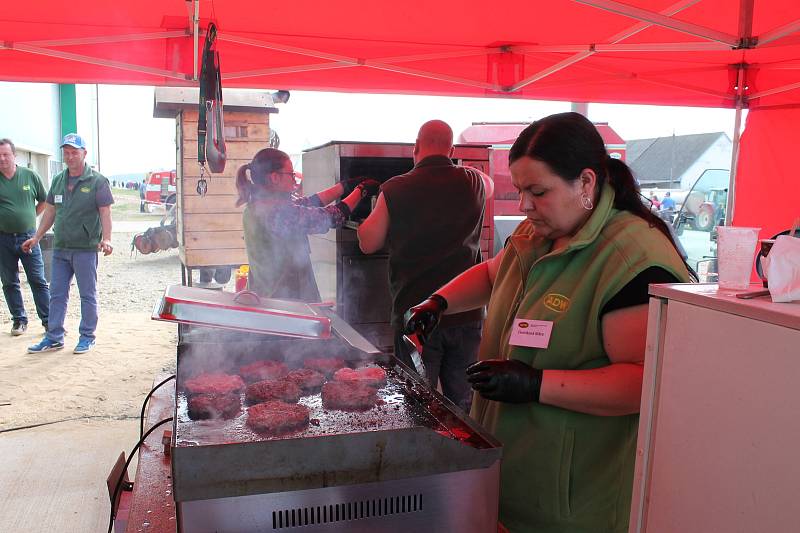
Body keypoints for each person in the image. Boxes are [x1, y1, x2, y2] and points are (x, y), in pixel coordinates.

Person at [404, 112, 692, 532]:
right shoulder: (540, 230)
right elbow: (492, 274)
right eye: (520, 190)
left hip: (572, 498)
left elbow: (640, 382)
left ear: (587, 183)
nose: (524, 205)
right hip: (511, 474)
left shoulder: (633, 259)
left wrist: (535, 383)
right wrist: (439, 302)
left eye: (538, 191)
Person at [357, 119, 494, 412]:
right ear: (452, 150)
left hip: (416, 317)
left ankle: (421, 453)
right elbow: (489, 185)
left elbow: (367, 242)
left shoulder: (395, 188)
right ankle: (464, 455)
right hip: (465, 315)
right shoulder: (474, 181)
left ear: (415, 149)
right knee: (464, 401)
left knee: (416, 400)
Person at [235, 148, 378, 300]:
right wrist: (361, 191)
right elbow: (331, 217)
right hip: (284, 303)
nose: (294, 179)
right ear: (274, 178)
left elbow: (308, 203)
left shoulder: (257, 207)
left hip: (267, 298)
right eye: (290, 174)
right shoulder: (275, 214)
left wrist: (344, 186)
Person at [23, 133, 114, 354]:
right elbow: (51, 212)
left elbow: (105, 213)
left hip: (85, 249)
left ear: (84, 153)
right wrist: (37, 236)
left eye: (74, 152)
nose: (70, 156)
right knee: (57, 293)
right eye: (66, 152)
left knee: (87, 295)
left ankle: (87, 337)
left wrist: (107, 239)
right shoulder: (58, 180)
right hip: (61, 248)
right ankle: (54, 337)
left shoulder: (97, 181)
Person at [0, 138, 50, 336]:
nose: (2, 159)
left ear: (14, 155)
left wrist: (30, 216)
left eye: (6, 154)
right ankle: (19, 320)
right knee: (9, 282)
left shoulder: (30, 176)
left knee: (37, 279)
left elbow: (45, 200)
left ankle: (48, 321)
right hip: (3, 239)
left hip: (29, 237)